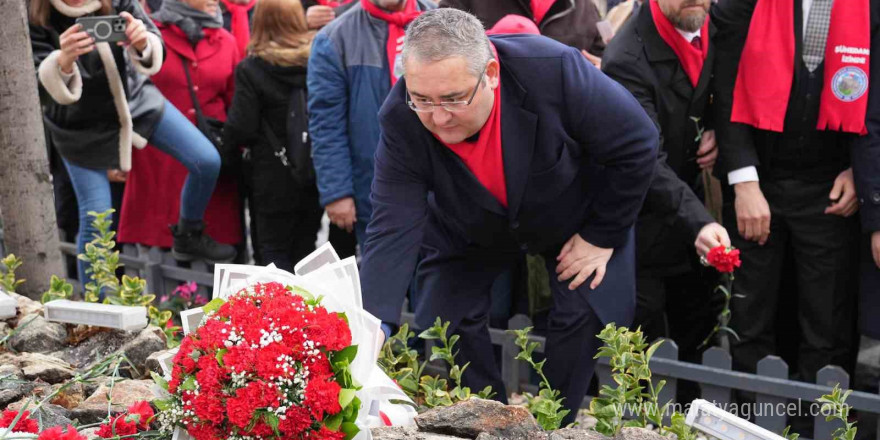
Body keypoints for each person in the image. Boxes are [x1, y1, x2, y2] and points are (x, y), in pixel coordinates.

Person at [360, 8, 658, 422]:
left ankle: (555, 421)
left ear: (492, 73)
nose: (439, 118)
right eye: (422, 100)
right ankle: (489, 419)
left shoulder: (553, 70)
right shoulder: (400, 118)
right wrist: (371, 324)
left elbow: (638, 142)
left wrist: (601, 236)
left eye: (453, 98)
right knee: (446, 318)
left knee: (583, 312)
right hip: (469, 224)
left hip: (572, 213)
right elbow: (392, 222)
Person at [712, 0, 877, 383]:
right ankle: (750, 420)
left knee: (827, 326)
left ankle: (815, 426)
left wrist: (860, 170)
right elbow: (725, 85)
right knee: (748, 321)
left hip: (832, 186)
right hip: (758, 181)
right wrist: (745, 182)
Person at [30, 0, 235, 284]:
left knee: (207, 160)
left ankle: (189, 233)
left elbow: (153, 43)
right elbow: (35, 85)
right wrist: (63, 61)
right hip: (78, 124)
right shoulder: (33, 12)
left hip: (135, 101)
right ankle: (95, 312)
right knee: (97, 219)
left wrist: (142, 42)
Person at [602, 0, 729, 401]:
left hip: (688, 203)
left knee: (699, 328)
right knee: (647, 346)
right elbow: (645, 160)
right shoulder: (626, 57)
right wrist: (700, 222)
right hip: (642, 216)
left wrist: (712, 128)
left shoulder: (719, 24)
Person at [118, 0, 243, 260]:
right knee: (156, 267)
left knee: (215, 269)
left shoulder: (226, 41)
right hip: (158, 165)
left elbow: (235, 106)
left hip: (212, 174)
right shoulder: (147, 36)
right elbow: (122, 96)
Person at [307, 0, 437, 248]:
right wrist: (337, 192)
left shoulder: (443, 21)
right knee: (392, 277)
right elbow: (326, 124)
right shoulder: (334, 38)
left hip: (441, 184)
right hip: (376, 189)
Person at [223, 0, 324, 271]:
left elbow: (242, 126)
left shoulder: (252, 68)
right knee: (306, 250)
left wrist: (223, 150)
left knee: (271, 255)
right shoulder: (318, 61)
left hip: (271, 176)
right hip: (313, 171)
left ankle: (275, 313)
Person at [439, 0, 605, 63]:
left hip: (562, 125)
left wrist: (601, 72)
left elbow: (602, 58)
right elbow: (439, 49)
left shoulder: (586, 8)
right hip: (492, 119)